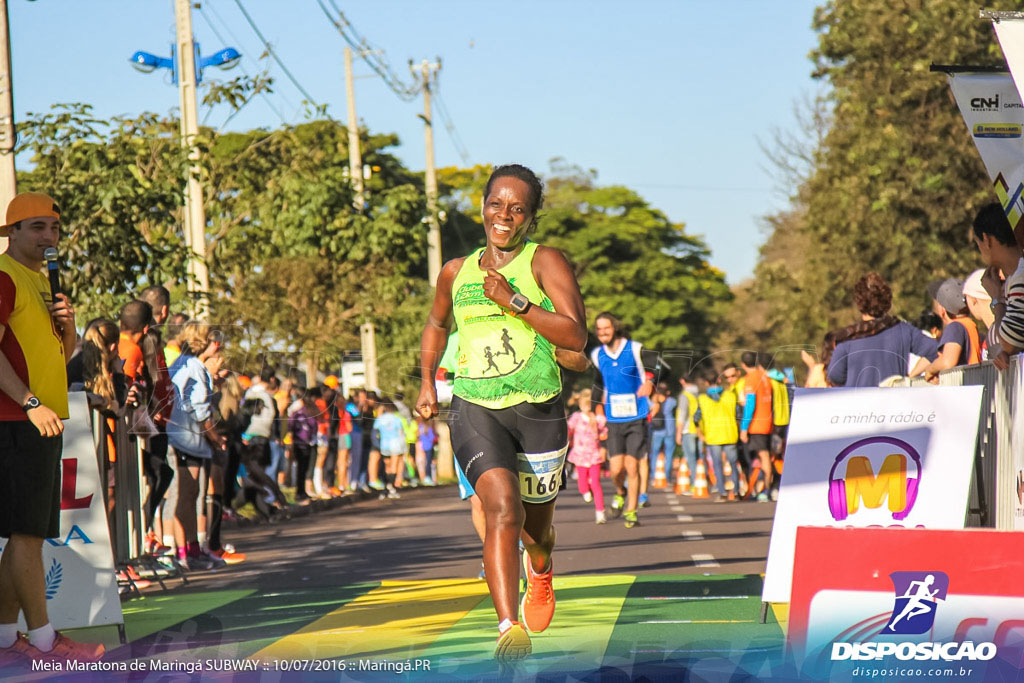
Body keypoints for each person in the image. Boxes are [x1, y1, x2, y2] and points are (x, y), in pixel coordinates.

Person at [416, 164, 586, 660]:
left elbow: (575, 336)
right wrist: (427, 381)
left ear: (531, 218)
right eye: (496, 204)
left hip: (537, 408)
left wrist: (514, 301)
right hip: (475, 404)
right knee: (500, 510)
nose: (504, 216)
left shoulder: (544, 261)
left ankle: (542, 567)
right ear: (483, 206)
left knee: (537, 532)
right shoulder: (456, 271)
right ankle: (508, 627)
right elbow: (435, 323)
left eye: (517, 208)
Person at [0, 192, 104, 662]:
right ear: (13, 232)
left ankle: (7, 642)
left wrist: (68, 332)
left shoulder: (41, 283)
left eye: (54, 228)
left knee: (25, 536)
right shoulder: (5, 277)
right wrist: (30, 402)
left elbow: (55, 357)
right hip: (18, 419)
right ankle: (45, 641)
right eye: (37, 227)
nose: (48, 236)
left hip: (38, 420)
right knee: (26, 535)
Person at [167, 321, 227, 571]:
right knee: (186, 494)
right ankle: (184, 550)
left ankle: (191, 547)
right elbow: (200, 409)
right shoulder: (194, 367)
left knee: (190, 494)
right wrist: (215, 437)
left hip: (184, 437)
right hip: (185, 438)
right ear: (208, 344)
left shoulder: (183, 363)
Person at [591, 312, 656, 529]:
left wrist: (649, 382)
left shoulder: (635, 349)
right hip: (614, 418)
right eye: (599, 330)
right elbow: (598, 383)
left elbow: (656, 367)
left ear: (615, 327)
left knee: (632, 465)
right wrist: (594, 409)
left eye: (606, 328)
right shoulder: (597, 355)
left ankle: (631, 511)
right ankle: (621, 491)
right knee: (616, 468)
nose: (603, 333)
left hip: (637, 416)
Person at [827, 272, 939, 387]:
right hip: (894, 402)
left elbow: (835, 376)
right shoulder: (903, 330)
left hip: (859, 403)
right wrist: (911, 376)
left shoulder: (849, 337)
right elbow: (935, 350)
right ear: (887, 299)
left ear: (859, 302)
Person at [972, 203, 1024, 370]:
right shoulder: (1014, 278)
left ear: (986, 240)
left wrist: (997, 300)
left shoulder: (1020, 277)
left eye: (977, 242)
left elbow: (1009, 342)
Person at [694, 370, 740, 502]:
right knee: (733, 463)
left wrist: (700, 433)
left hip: (713, 436)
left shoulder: (702, 399)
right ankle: (736, 491)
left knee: (717, 464)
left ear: (706, 383)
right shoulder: (730, 395)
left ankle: (722, 492)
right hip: (730, 433)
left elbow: (696, 418)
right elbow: (738, 414)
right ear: (719, 380)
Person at [923, 278, 981, 382]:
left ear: (942, 310)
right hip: (974, 382)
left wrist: (930, 370)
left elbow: (948, 362)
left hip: (965, 387)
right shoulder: (970, 324)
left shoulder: (954, 327)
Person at [567, 389, 608, 523]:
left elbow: (605, 433)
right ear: (580, 405)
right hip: (580, 455)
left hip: (594, 455)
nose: (587, 408)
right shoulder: (576, 418)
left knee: (596, 483)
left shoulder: (598, 418)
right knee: (582, 483)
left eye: (589, 405)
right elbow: (568, 429)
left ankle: (600, 512)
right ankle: (586, 491)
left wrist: (603, 445)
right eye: (584, 405)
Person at [738, 351, 774, 501]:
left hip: (757, 424)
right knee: (763, 457)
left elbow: (750, 404)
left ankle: (766, 489)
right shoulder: (765, 376)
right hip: (768, 422)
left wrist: (744, 428)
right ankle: (763, 488)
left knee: (763, 456)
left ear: (743, 365)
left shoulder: (751, 379)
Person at [643, 381, 676, 505]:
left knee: (654, 454)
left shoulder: (652, 402)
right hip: (669, 430)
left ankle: (653, 475)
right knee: (668, 454)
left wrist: (655, 400)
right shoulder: (671, 401)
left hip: (657, 431)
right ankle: (667, 477)